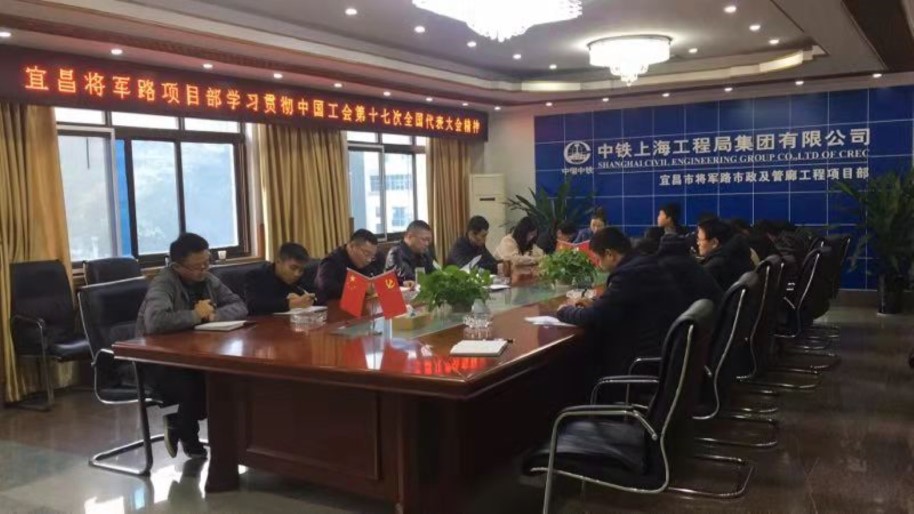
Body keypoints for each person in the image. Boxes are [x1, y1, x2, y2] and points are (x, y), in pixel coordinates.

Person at [136, 233, 248, 460]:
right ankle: (186, 431)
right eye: (198, 267)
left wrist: (214, 316)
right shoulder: (163, 283)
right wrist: (196, 315)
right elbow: (155, 322)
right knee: (198, 383)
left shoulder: (207, 279)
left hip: (195, 353)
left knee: (225, 380)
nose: (204, 269)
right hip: (158, 361)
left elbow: (239, 305)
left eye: (207, 263)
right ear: (177, 266)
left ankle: (180, 424)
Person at [557, 227, 687, 375]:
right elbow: (619, 304)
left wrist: (564, 311)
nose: (598, 265)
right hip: (665, 355)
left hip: (641, 364)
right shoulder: (643, 263)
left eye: (598, 259)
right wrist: (595, 304)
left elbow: (593, 317)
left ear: (609, 254)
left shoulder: (628, 275)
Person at [244, 242, 315, 315]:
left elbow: (315, 294)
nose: (297, 274)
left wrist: (309, 299)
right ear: (278, 262)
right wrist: (291, 303)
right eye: (293, 268)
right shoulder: (256, 276)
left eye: (301, 270)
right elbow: (253, 305)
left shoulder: (302, 275)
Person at [316, 229, 384, 302]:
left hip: (363, 305)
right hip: (333, 306)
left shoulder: (373, 261)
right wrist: (361, 288)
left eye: (372, 256)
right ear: (352, 246)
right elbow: (326, 287)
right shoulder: (331, 262)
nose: (369, 260)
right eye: (366, 254)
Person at [697, 217, 755, 290]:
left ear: (714, 242)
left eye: (700, 239)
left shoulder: (715, 267)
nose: (698, 243)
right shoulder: (738, 254)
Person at [386, 220, 437, 286]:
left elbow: (436, 274)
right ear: (410, 237)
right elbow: (409, 279)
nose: (427, 244)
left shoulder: (426, 253)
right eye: (424, 239)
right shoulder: (395, 254)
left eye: (429, 240)